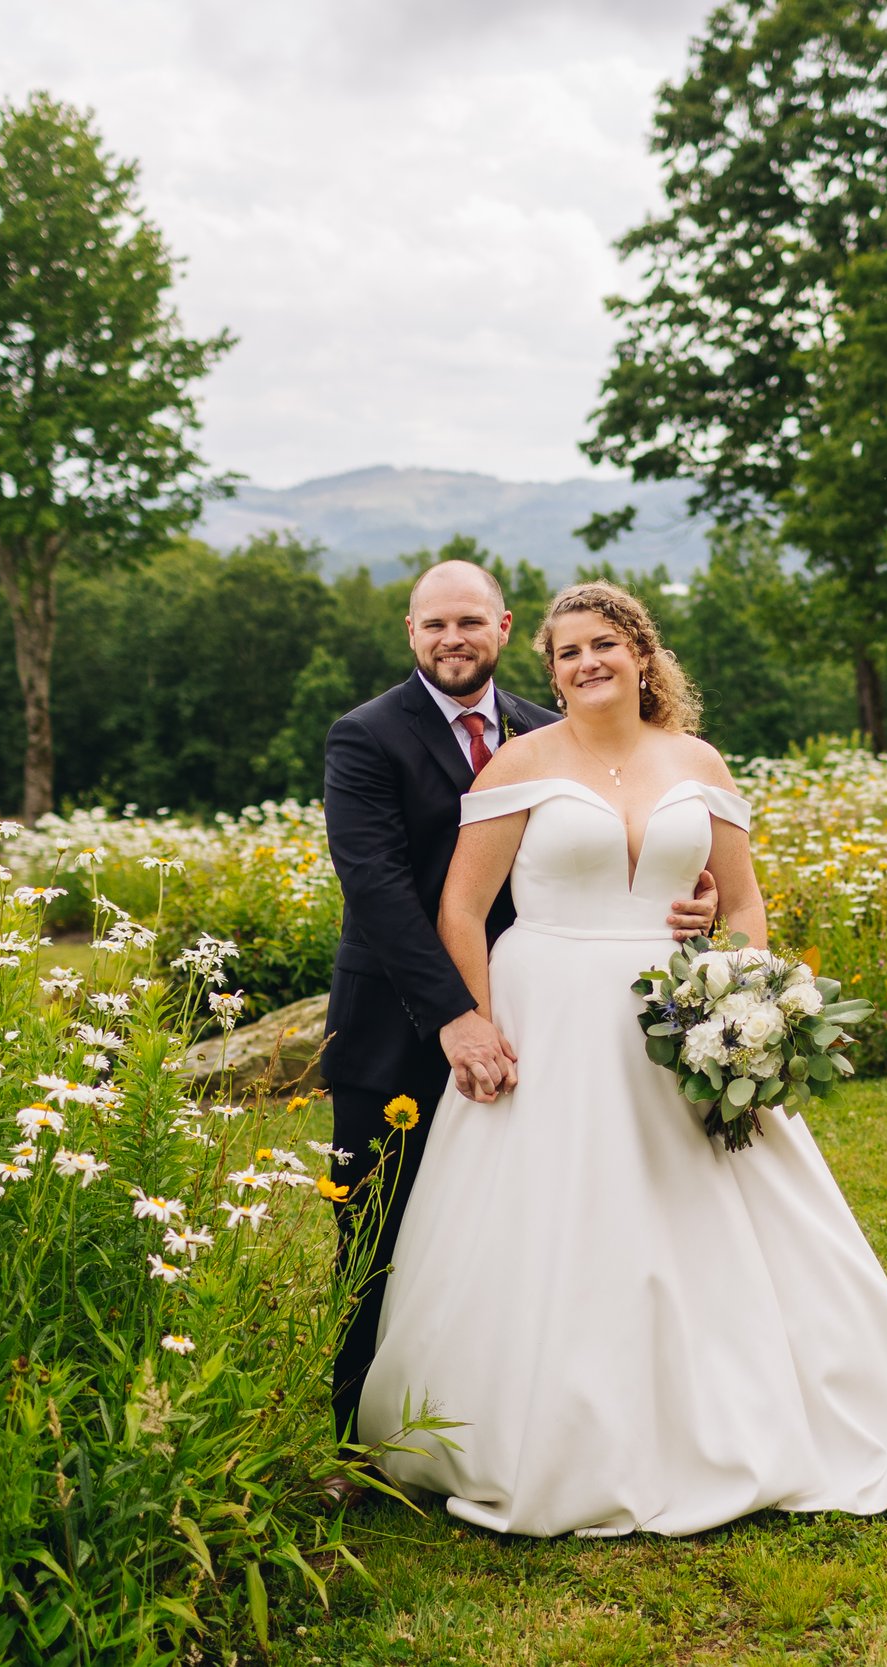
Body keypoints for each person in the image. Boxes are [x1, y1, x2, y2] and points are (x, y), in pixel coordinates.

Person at [354, 580, 887, 1537]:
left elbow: (742, 901)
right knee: (561, 1224)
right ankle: (556, 1421)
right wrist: (479, 1021)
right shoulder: (516, 763)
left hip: (673, 1017)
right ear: (550, 667)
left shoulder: (698, 761)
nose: (586, 663)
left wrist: (739, 996)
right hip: (547, 1014)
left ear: (642, 654)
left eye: (603, 645)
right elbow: (462, 907)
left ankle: (745, 1400)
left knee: (710, 1214)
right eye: (567, 652)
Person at [321, 561, 719, 1446]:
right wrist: (460, 1014)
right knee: (378, 1230)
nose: (451, 639)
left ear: (504, 631)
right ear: (411, 634)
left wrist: (697, 898)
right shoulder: (364, 737)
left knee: (531, 1223)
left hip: (542, 1024)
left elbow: (612, 851)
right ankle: (354, 1433)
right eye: (433, 626)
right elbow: (381, 890)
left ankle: (537, 1405)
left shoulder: (553, 733)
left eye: (469, 622)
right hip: (402, 1017)